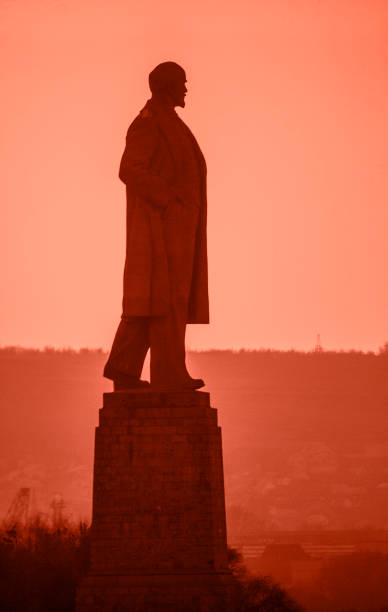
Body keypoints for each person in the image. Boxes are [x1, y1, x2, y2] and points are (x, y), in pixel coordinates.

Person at [103, 62, 209, 391]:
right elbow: (129, 168)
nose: (187, 89)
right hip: (159, 230)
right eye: (182, 83)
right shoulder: (148, 123)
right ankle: (167, 374)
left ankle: (127, 369)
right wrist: (168, 200)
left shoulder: (171, 123)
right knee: (159, 301)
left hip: (179, 229)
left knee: (157, 302)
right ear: (166, 87)